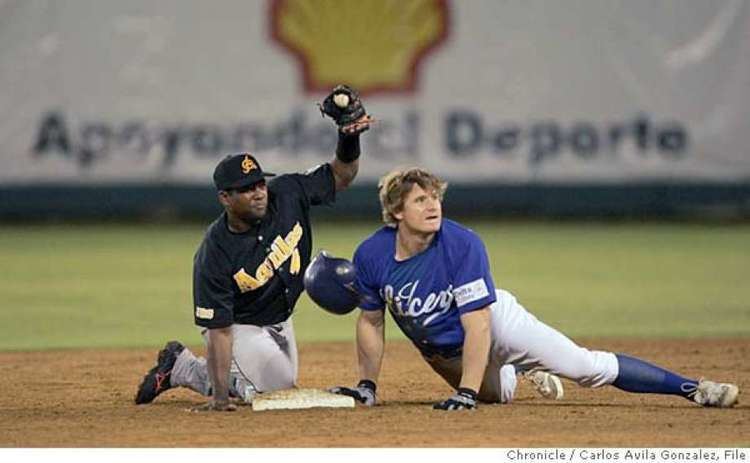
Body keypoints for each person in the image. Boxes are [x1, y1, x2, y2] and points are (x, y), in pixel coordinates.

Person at [328, 167, 740, 410]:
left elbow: (480, 326)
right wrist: (367, 386)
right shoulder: (372, 254)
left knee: (583, 367)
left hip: (495, 323)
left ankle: (694, 388)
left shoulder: (462, 243)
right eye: (420, 200)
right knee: (497, 396)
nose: (433, 205)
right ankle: (522, 372)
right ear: (397, 211)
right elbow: (371, 322)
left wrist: (467, 392)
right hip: (443, 350)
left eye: (435, 197)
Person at [134, 86, 372, 411]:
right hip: (239, 325)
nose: (259, 192)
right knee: (272, 391)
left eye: (260, 183)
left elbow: (343, 174)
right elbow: (218, 330)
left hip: (280, 317)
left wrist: (349, 138)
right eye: (246, 189)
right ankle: (190, 370)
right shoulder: (214, 251)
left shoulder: (288, 192)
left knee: (279, 381)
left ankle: (178, 365)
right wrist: (219, 398)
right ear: (225, 198)